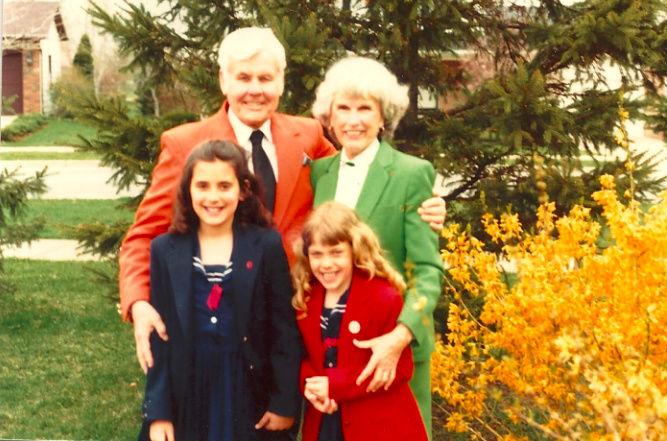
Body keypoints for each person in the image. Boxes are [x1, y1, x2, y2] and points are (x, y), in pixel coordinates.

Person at [118, 27, 446, 377]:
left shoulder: (307, 136)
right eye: (243, 77)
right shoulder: (185, 145)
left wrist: (428, 200)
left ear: (281, 83)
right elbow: (143, 235)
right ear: (223, 80)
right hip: (216, 327)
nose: (255, 89)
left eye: (265, 77)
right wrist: (139, 303)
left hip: (299, 325)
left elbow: (362, 178)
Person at [310, 56, 443, 437]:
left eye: (365, 108)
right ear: (328, 118)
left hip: (393, 351)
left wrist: (400, 336)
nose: (354, 120)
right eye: (344, 109)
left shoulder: (411, 173)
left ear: (383, 117)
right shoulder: (319, 173)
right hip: (335, 355)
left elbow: (427, 270)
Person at [139, 140, 300, 441]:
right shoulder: (165, 250)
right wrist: (158, 412)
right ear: (188, 190)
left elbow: (284, 332)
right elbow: (160, 340)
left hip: (247, 391)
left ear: (243, 191)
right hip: (188, 392)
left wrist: (284, 403)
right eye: (202, 186)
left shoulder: (265, 246)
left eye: (224, 186)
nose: (213, 197)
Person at [292, 202, 428, 441]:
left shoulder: (382, 297)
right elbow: (301, 357)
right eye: (317, 254)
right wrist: (310, 385)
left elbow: (401, 369)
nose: (326, 264)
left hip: (377, 424)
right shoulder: (306, 299)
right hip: (326, 419)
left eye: (336, 253)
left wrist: (334, 385)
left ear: (354, 250)